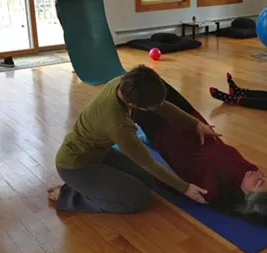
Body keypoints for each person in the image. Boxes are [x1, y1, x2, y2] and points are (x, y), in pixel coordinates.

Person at [49, 65, 221, 213]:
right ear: (134, 106)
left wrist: (196, 124)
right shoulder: (118, 125)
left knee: (146, 180)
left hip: (98, 154)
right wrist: (186, 188)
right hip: (76, 165)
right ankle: (69, 195)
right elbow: (149, 163)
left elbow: (161, 106)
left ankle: (88, 186)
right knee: (138, 199)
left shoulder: (125, 84)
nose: (157, 106)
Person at [134, 81, 267, 227]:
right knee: (151, 80)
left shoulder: (213, 192)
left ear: (248, 198)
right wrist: (199, 124)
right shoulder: (249, 172)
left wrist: (151, 175)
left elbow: (176, 187)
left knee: (134, 93)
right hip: (193, 121)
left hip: (165, 130)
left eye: (260, 182)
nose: (260, 174)